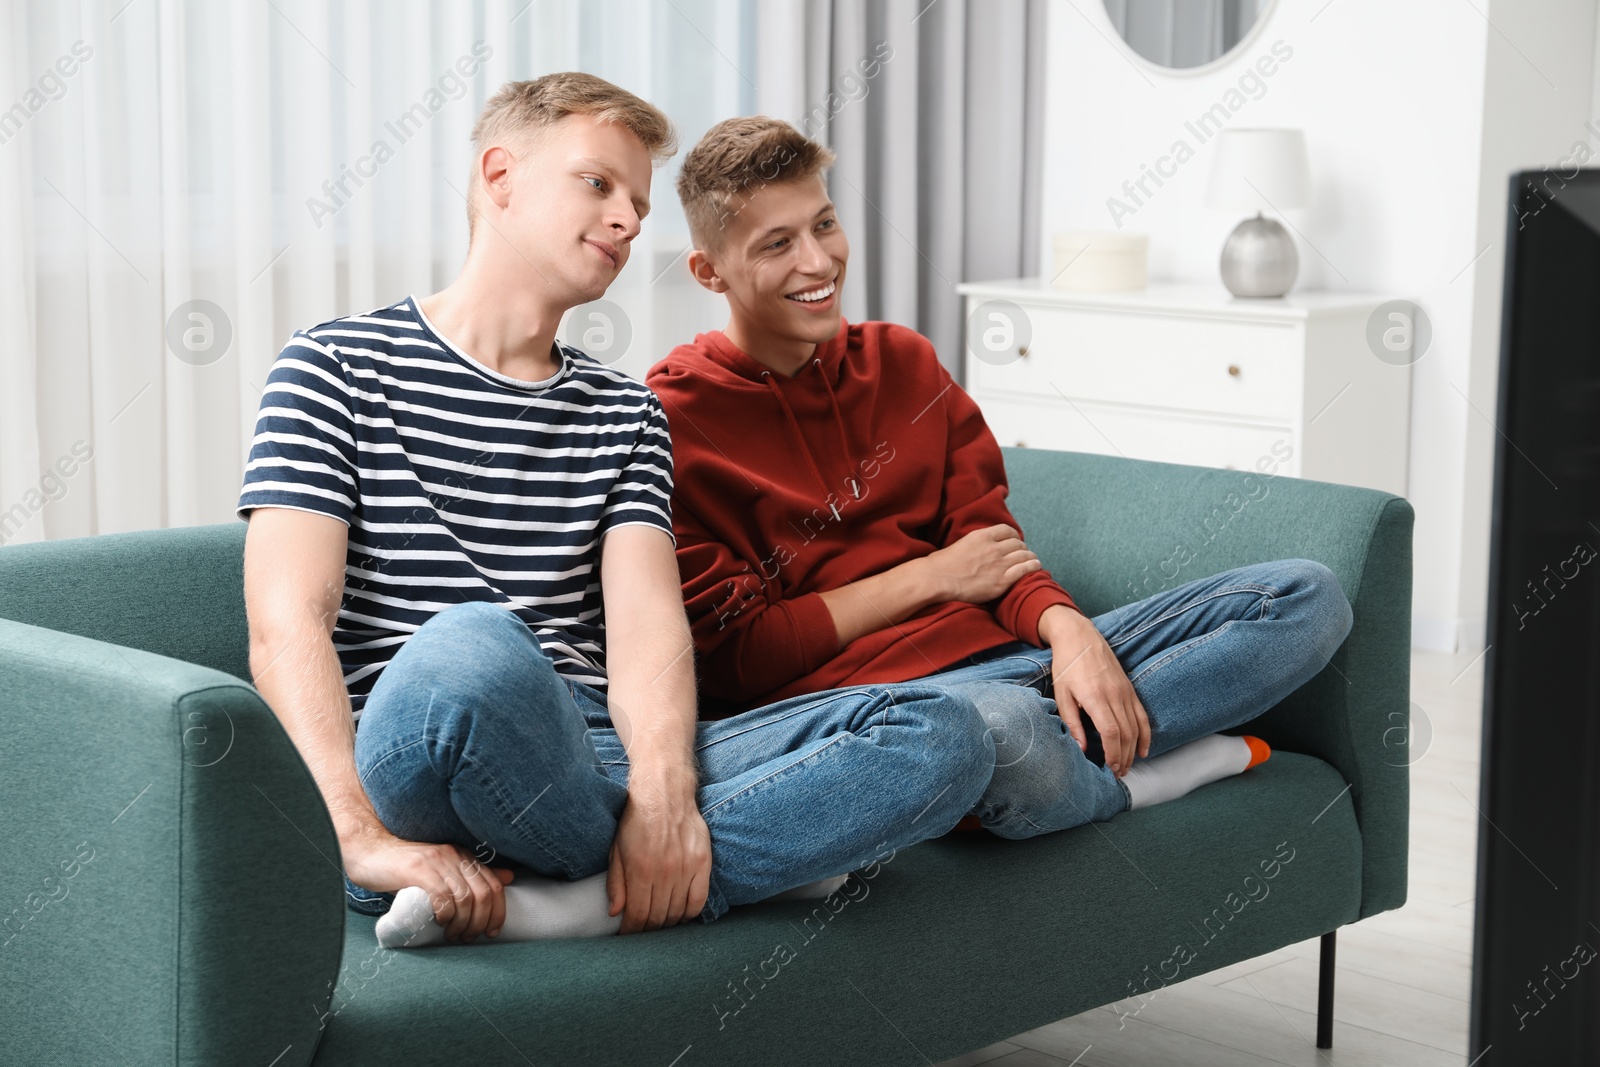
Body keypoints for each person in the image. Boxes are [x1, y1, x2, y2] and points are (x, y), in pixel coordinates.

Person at [237, 77, 996, 949]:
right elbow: (289, 619)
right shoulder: (333, 365)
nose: (630, 219)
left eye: (638, 203)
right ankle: (730, 861)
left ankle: (568, 900)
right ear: (500, 177)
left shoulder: (625, 413)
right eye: (598, 184)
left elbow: (646, 632)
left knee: (946, 730)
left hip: (599, 754)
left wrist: (665, 797)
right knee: (473, 644)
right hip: (421, 744)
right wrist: (355, 834)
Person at [645, 116, 1355, 841]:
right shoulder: (672, 418)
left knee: (1304, 597)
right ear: (709, 272)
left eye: (824, 224)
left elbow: (988, 543)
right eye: (778, 243)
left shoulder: (904, 362)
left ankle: (1052, 765)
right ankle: (1130, 777)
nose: (819, 261)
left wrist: (1068, 628)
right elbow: (741, 660)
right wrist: (935, 578)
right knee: (995, 730)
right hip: (896, 710)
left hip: (1018, 659)